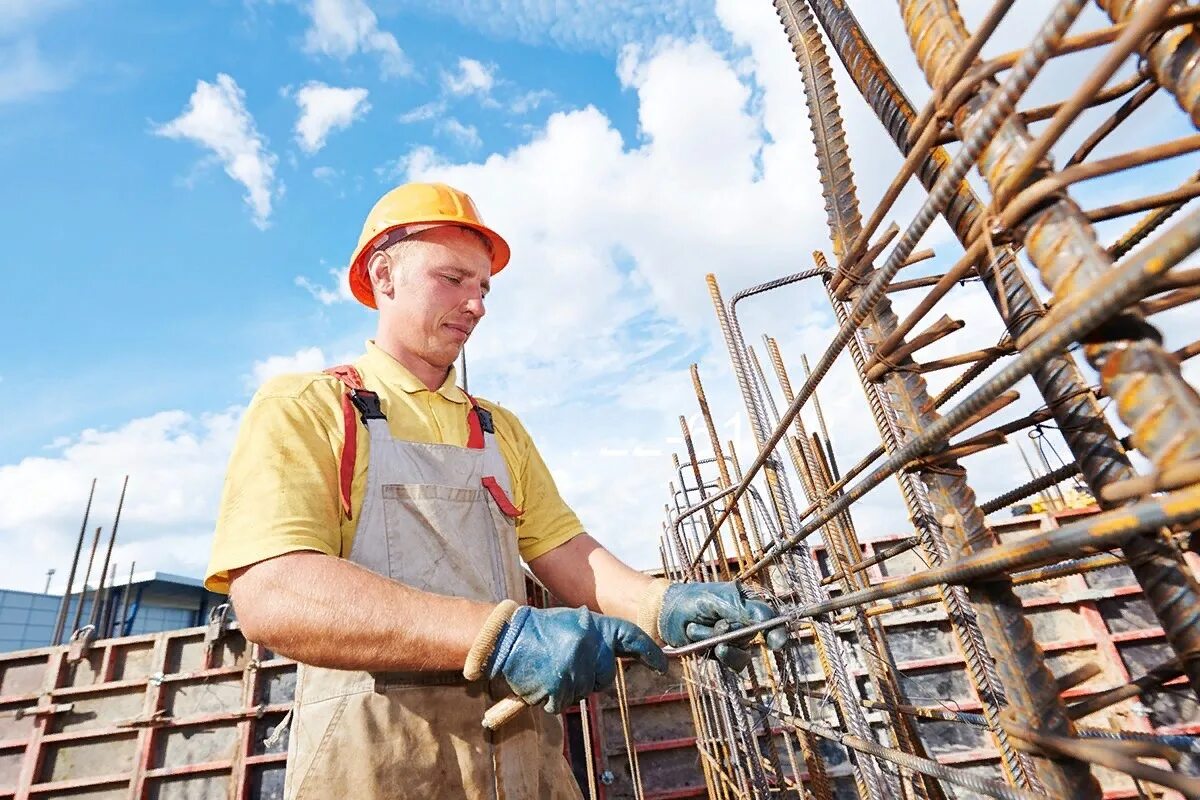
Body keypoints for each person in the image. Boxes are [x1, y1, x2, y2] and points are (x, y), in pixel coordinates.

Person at [204, 182, 787, 800]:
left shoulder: (496, 428)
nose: (476, 304)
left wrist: (658, 604)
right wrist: (503, 636)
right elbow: (274, 592)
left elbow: (563, 549)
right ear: (384, 275)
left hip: (521, 765)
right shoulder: (311, 407)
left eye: (483, 287)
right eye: (453, 279)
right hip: (378, 767)